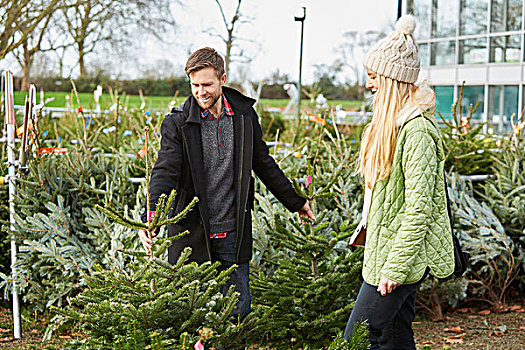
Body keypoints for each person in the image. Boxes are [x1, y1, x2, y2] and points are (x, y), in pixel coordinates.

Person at [138, 47, 314, 320]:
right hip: (190, 233)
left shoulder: (244, 117)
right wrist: (152, 217)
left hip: (234, 230)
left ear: (222, 79)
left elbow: (263, 163)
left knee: (237, 313)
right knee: (191, 316)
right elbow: (165, 171)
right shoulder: (178, 122)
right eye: (194, 85)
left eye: (207, 84)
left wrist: (296, 202)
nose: (200, 92)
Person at [344, 15, 454, 348]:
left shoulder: (416, 131)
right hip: (385, 252)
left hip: (399, 259)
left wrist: (395, 267)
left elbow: (419, 208)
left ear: (392, 81)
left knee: (358, 337)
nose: (368, 84)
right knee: (394, 335)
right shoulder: (394, 127)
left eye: (374, 76)